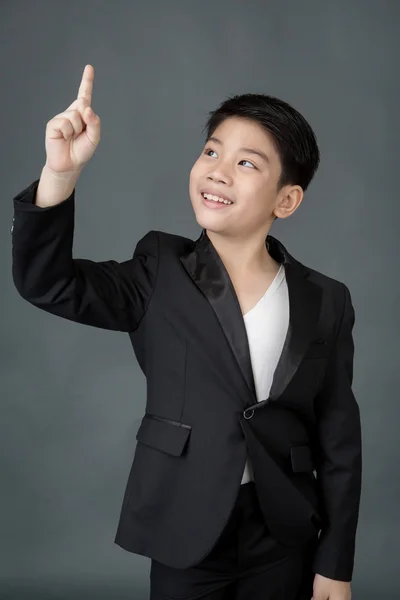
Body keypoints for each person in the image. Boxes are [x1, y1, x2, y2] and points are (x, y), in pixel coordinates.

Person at [11, 64, 362, 600]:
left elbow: (339, 438)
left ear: (285, 200)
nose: (219, 171)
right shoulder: (158, 270)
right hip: (185, 523)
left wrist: (335, 563)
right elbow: (48, 283)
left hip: (285, 531)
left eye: (247, 163)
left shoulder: (326, 299)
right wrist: (60, 174)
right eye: (211, 152)